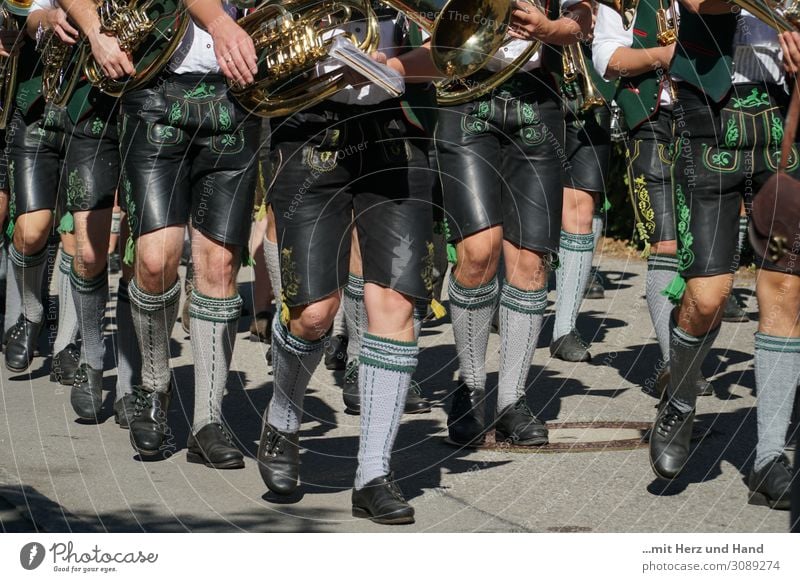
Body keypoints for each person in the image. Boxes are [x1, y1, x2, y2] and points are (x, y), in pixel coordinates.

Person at [257, 8, 440, 524]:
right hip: (309, 127)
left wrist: (402, 66)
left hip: (394, 129)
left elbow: (459, 51)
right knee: (313, 314)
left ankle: (373, 475)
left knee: (395, 300)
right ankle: (284, 415)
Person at [649, 2, 800, 512]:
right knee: (707, 296)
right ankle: (682, 397)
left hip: (785, 128)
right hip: (710, 121)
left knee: (784, 285)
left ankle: (770, 457)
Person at [435, 0, 591, 447]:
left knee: (532, 260)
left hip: (535, 97)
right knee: (478, 252)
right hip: (465, 93)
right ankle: (469, 387)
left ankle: (511, 401)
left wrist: (553, 26)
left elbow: (582, 14)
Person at [120, 0, 260, 467]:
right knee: (156, 260)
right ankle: (155, 388)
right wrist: (219, 22)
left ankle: (208, 421)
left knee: (218, 267)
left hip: (236, 96)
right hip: (157, 91)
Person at [592, 0, 714, 398]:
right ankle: (674, 367)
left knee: (707, 252)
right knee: (665, 242)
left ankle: (687, 354)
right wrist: (665, 56)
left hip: (708, 122)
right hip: (651, 123)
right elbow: (607, 59)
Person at [550, 40, 615, 363]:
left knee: (581, 207)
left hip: (583, 75)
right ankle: (504, 300)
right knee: (515, 206)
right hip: (525, 77)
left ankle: (564, 328)